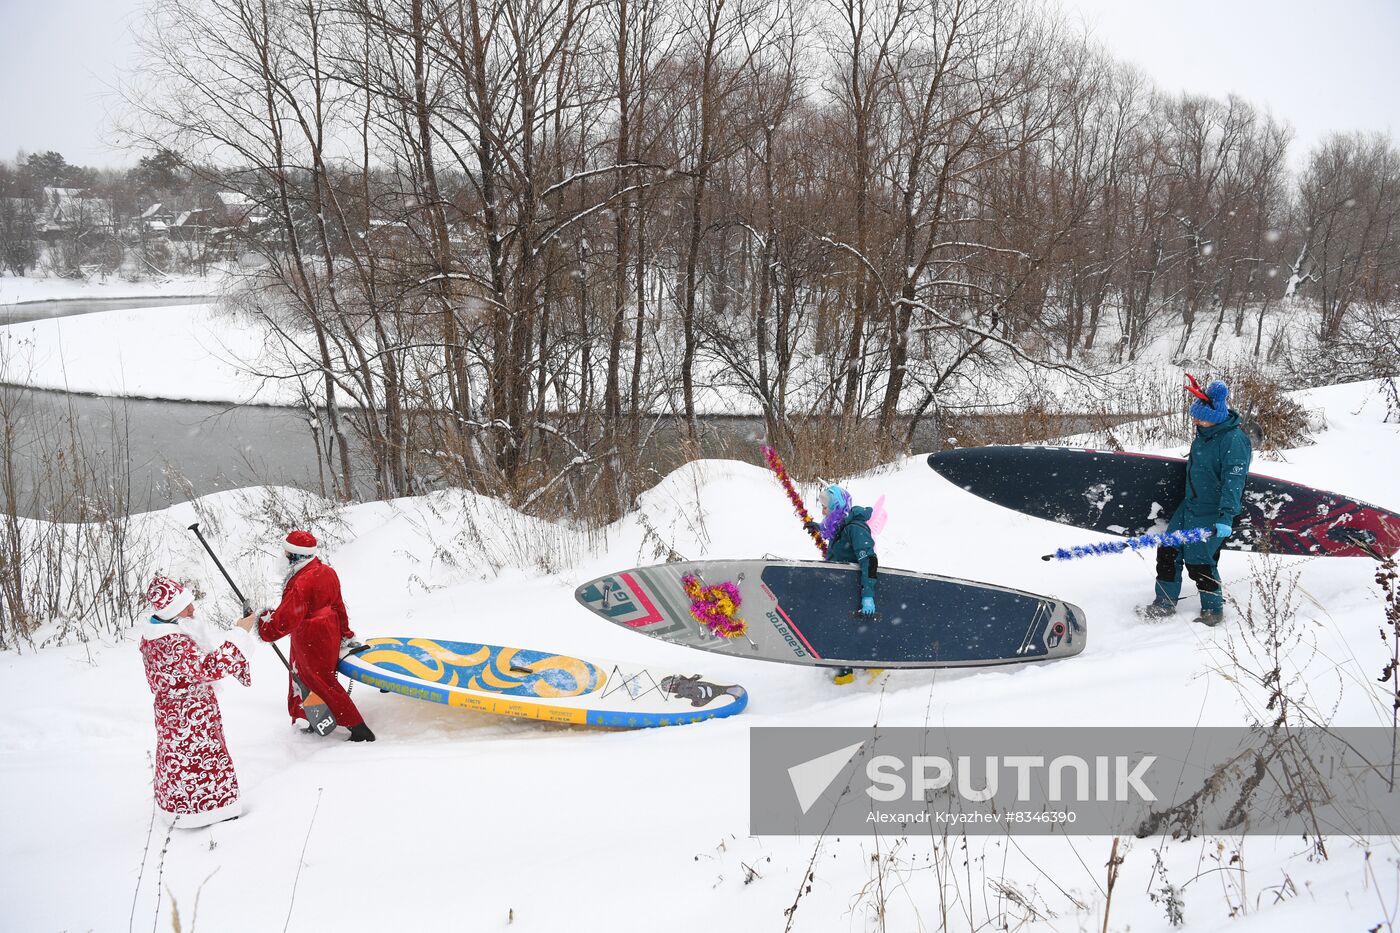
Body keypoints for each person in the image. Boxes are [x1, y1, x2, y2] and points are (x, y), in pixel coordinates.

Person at [140, 574, 256, 827]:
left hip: (183, 715)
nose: (193, 609)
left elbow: (199, 663)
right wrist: (240, 633)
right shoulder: (171, 642)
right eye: (185, 605)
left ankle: (185, 809)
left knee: (182, 762)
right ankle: (205, 813)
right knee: (197, 763)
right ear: (171, 611)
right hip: (188, 720)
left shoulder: (163, 633)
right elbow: (209, 668)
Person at [1140, 376, 1253, 626]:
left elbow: (1233, 483)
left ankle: (1213, 610)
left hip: (1212, 511)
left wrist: (1226, 517)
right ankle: (1164, 603)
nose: (1195, 420)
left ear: (1216, 417)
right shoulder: (1204, 433)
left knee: (1199, 561)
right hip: (1190, 505)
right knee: (1168, 550)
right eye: (1195, 416)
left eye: (1199, 417)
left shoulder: (1233, 441)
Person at [256, 530, 374, 741]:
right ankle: (311, 718)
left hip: (310, 637)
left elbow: (284, 621)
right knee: (307, 677)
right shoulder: (326, 571)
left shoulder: (301, 583)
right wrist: (344, 632)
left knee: (319, 681)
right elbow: (339, 606)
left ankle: (358, 728)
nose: (282, 556)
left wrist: (263, 623)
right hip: (328, 631)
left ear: (295, 555)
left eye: (285, 552)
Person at [804, 484, 878, 684]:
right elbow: (834, 533)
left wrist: (868, 595)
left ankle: (873, 671)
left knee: (853, 630)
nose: (823, 510)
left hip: (854, 589)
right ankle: (845, 672)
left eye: (826, 506)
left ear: (838, 505)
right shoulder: (842, 526)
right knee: (841, 629)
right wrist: (818, 527)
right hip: (840, 589)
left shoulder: (855, 528)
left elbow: (869, 561)